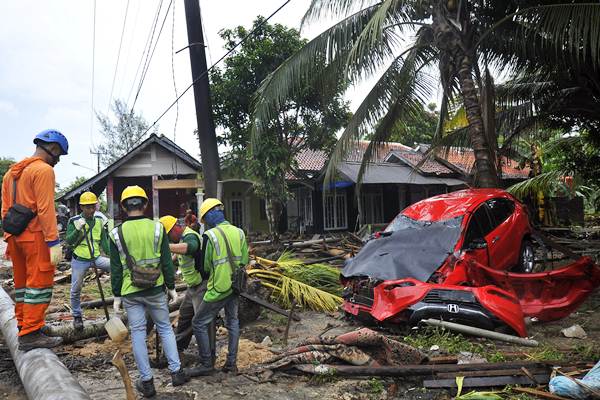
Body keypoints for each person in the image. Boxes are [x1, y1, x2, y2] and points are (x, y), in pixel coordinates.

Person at [110, 186, 189, 397]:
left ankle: (147, 382)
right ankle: (177, 372)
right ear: (145, 205)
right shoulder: (157, 228)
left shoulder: (116, 233)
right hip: (156, 288)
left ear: (124, 207)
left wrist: (116, 294)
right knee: (164, 328)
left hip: (130, 291)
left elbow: (116, 268)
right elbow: (166, 261)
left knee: (137, 333)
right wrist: (171, 287)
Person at [1, 129, 68, 351]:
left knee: (22, 285)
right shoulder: (44, 170)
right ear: (54, 149)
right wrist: (53, 242)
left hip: (14, 235)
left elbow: (5, 209)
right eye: (59, 155)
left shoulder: (11, 173)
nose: (58, 160)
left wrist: (9, 236)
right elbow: (45, 209)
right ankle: (30, 334)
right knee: (39, 284)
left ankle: (25, 325)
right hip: (35, 236)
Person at [189, 198, 248, 376]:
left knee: (198, 323)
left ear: (209, 215)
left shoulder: (210, 236)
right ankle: (231, 363)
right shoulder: (239, 232)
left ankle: (207, 363)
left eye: (204, 220)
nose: (205, 224)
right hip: (235, 286)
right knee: (233, 322)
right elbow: (244, 260)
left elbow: (206, 267)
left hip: (218, 289)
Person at [159, 215, 205, 351]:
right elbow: (173, 258)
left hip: (202, 284)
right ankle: (177, 350)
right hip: (192, 287)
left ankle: (207, 358)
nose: (168, 239)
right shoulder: (180, 240)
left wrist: (166, 246)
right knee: (184, 317)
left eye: (168, 236)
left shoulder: (190, 236)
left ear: (174, 228)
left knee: (201, 322)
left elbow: (191, 248)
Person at [66, 191, 110, 330]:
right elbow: (69, 241)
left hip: (95, 258)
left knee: (117, 267)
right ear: (81, 207)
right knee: (76, 288)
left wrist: (115, 256)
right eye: (87, 207)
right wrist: (78, 229)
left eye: (93, 206)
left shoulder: (98, 222)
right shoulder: (73, 221)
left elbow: (105, 244)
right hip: (80, 259)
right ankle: (77, 316)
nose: (91, 210)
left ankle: (120, 301)